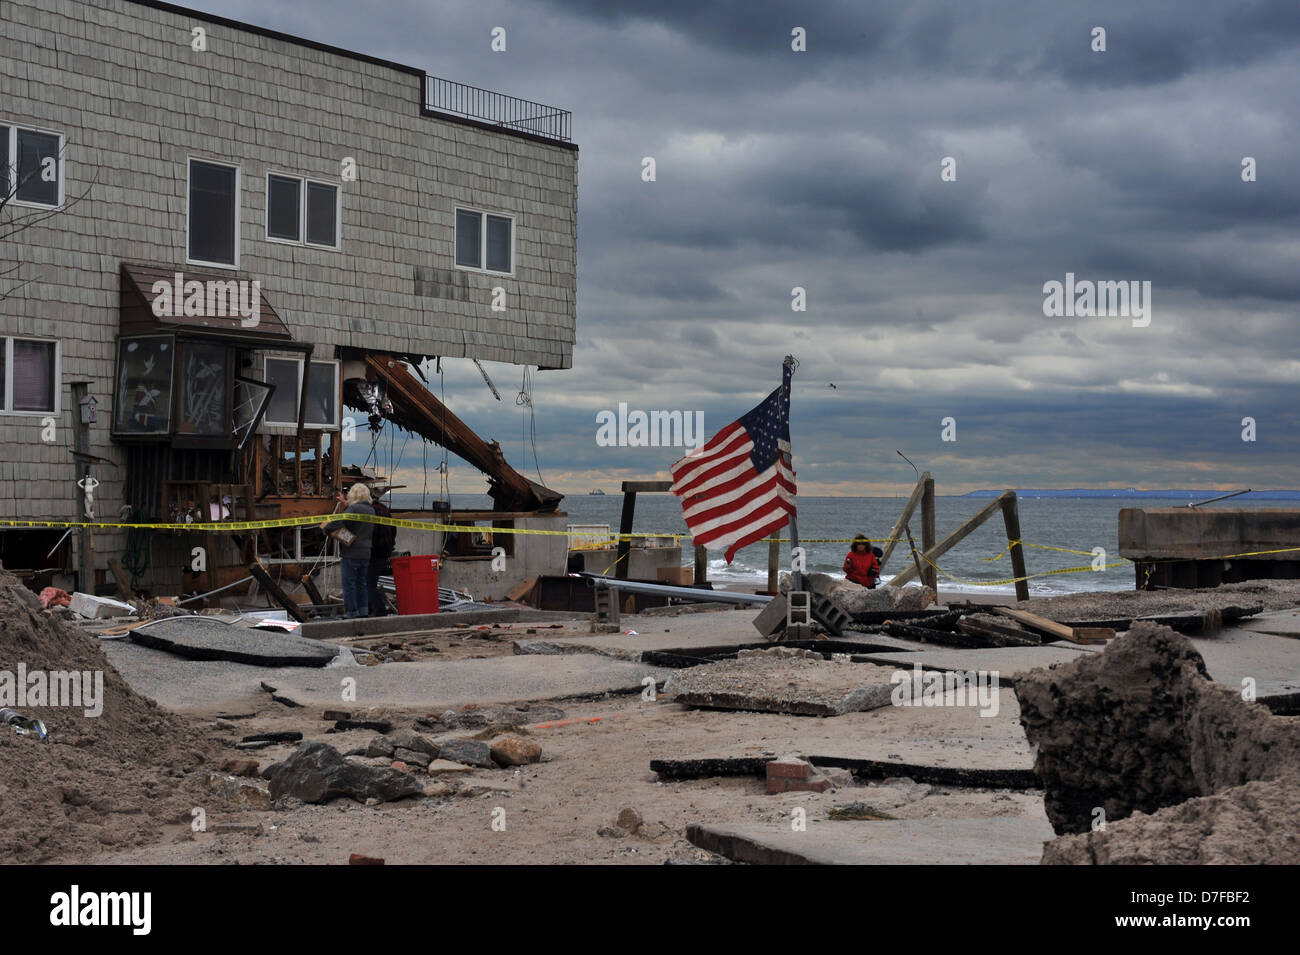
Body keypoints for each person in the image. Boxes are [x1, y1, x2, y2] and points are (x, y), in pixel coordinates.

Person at [323, 483, 375, 618]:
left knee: (349, 583)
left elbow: (338, 522)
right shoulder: (371, 510)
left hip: (351, 552)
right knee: (362, 583)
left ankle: (352, 612)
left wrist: (327, 528)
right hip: (366, 552)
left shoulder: (353, 508)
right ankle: (363, 610)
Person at [367, 489, 398, 617]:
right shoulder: (383, 508)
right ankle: (371, 610)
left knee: (368, 583)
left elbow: (370, 533)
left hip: (374, 552)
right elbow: (393, 529)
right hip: (385, 551)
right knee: (370, 582)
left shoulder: (369, 511)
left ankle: (379, 611)